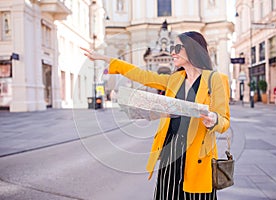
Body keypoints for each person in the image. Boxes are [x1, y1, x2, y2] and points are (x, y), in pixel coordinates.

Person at [81, 31, 230, 200]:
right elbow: (142, 75)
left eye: (177, 47)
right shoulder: (175, 79)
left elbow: (224, 121)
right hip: (170, 151)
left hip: (198, 157)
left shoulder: (216, 80)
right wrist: (104, 58)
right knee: (167, 195)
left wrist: (214, 119)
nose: (172, 52)